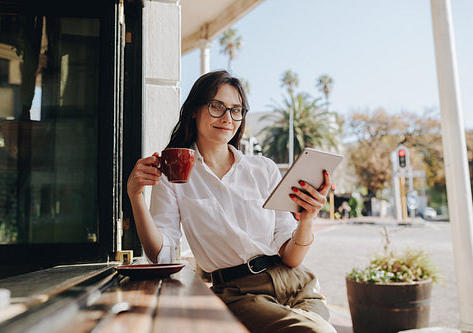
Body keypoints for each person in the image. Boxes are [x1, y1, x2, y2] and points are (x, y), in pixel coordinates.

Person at [127, 70, 336, 333]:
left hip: (296, 283)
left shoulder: (264, 169)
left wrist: (307, 219)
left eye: (237, 110)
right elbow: (161, 256)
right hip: (239, 293)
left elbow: (291, 258)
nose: (227, 118)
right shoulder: (174, 174)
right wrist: (135, 196)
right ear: (193, 110)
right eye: (217, 107)